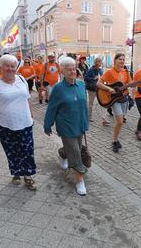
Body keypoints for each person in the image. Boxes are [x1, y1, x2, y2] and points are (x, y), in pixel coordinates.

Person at [0, 54, 37, 190]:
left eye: (13, 66)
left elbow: (28, 98)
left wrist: (31, 115)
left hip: (25, 122)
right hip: (5, 124)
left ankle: (28, 176)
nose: (10, 69)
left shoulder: (21, 80)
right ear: (0, 67)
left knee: (27, 150)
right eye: (7, 66)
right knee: (11, 150)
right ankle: (16, 172)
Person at [44, 56, 89, 196]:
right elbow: (52, 108)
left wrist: (86, 121)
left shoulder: (81, 85)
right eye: (69, 69)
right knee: (75, 152)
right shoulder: (58, 88)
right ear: (62, 71)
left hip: (80, 124)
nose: (72, 71)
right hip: (66, 125)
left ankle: (62, 154)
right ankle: (79, 180)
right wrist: (47, 124)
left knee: (74, 147)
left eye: (74, 68)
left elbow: (83, 105)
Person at [97, 53, 141, 153]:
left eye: (123, 59)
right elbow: (98, 84)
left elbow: (131, 84)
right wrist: (109, 89)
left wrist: (135, 87)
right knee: (119, 121)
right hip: (114, 100)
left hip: (124, 98)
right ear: (115, 60)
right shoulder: (109, 72)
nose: (122, 61)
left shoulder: (126, 72)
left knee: (120, 122)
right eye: (120, 59)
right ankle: (115, 141)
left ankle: (116, 139)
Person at [84, 57, 110, 125]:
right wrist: (93, 78)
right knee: (91, 104)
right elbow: (86, 78)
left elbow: (103, 78)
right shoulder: (91, 70)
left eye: (100, 61)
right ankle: (89, 117)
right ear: (95, 62)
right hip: (92, 89)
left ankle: (104, 119)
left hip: (99, 88)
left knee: (103, 102)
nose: (100, 63)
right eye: (99, 61)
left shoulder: (100, 70)